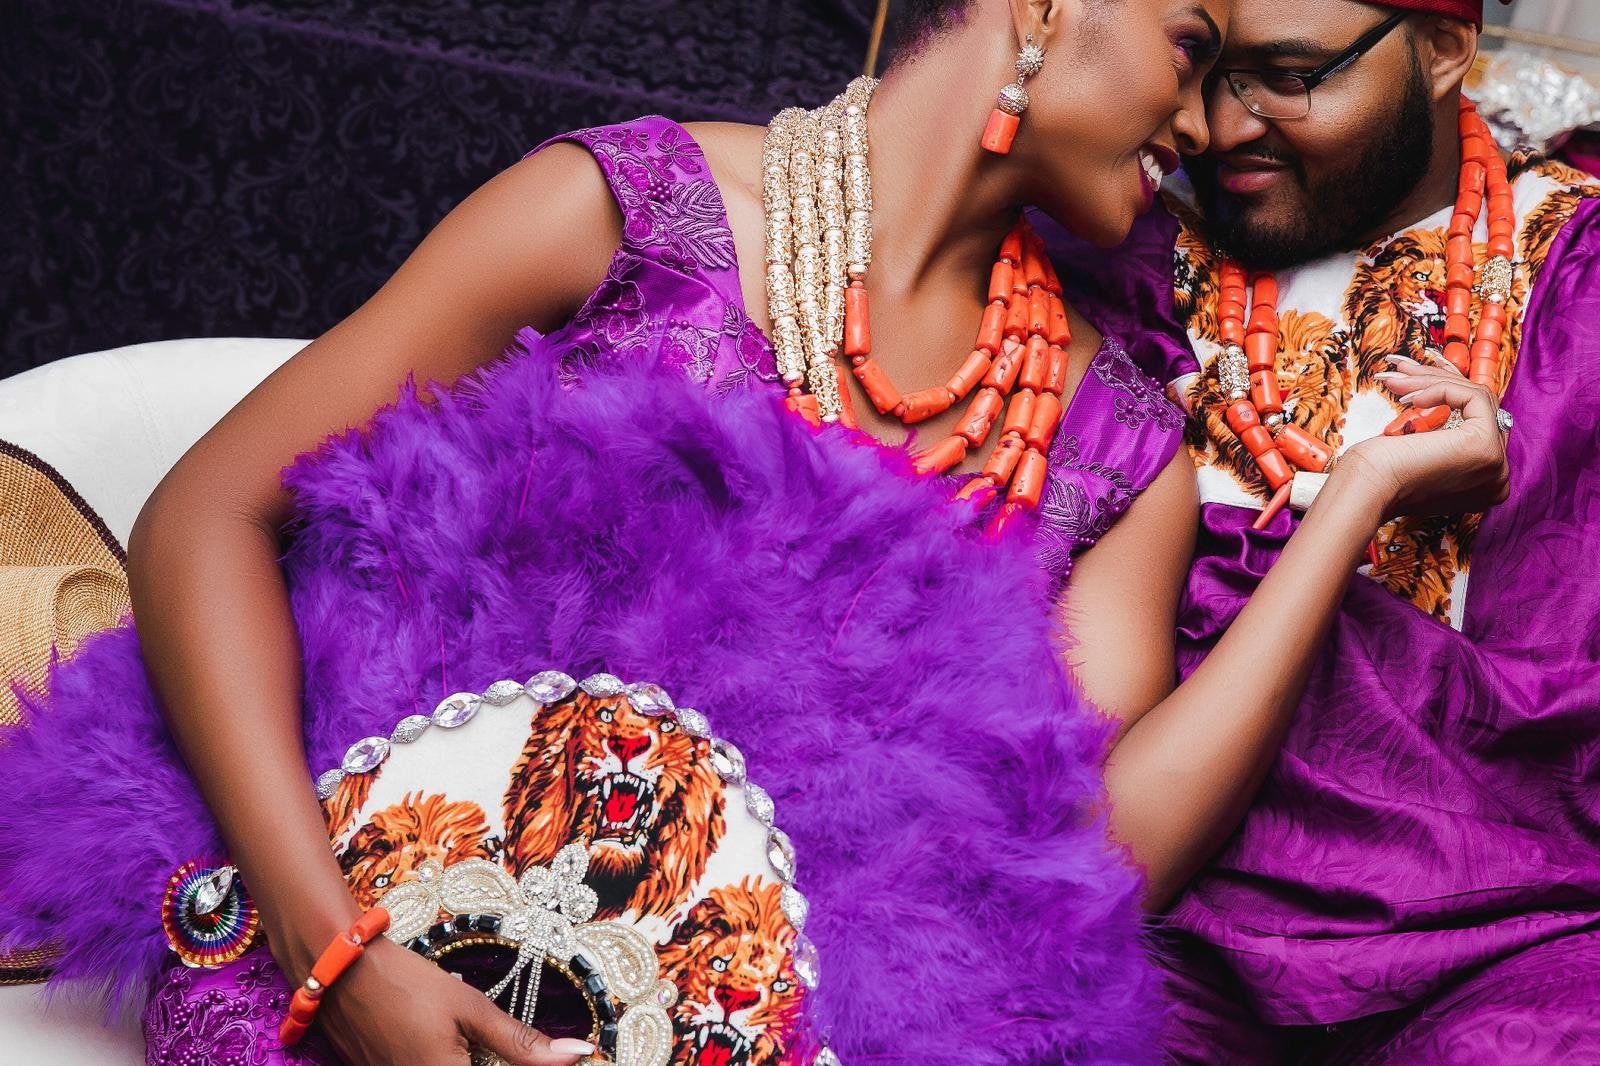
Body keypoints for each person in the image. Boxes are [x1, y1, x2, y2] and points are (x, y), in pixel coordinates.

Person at [0, 1, 1510, 1064]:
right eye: (1191, 54)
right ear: (1047, 8)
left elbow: (1102, 854)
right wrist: (338, 951)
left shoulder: (1112, 453)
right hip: (335, 917)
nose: (1201, 124)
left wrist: (1352, 500)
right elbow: (210, 512)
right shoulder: (631, 213)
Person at [1100, 0, 1600, 1060]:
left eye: (1286, 76)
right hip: (1160, 926)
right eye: (1206, 70)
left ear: (1443, 49)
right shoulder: (1129, 243)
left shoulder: (1573, 267)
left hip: (1516, 938)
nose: (1223, 127)